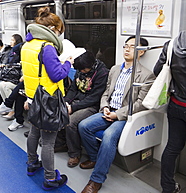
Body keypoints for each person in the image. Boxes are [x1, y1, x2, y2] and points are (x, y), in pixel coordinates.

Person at [78, 36, 156, 193]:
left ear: (141, 52)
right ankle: (95, 157)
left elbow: (139, 104)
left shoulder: (146, 75)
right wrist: (105, 106)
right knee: (83, 126)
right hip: (109, 109)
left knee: (109, 136)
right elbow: (107, 92)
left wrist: (117, 115)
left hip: (126, 117)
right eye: (126, 46)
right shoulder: (114, 69)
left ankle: (96, 180)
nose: (127, 49)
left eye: (133, 47)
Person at [22, 7, 72, 190]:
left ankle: (32, 163)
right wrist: (67, 63)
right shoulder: (47, 47)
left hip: (33, 95)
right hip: (47, 99)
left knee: (35, 132)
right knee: (49, 141)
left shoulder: (27, 45)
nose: (59, 34)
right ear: (52, 29)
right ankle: (50, 178)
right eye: (59, 31)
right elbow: (57, 75)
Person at [56, 51, 109, 168]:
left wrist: (73, 107)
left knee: (71, 122)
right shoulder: (80, 71)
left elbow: (94, 98)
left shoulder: (102, 73)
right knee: (59, 110)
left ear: (91, 65)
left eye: (84, 70)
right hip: (77, 101)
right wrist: (66, 102)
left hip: (92, 106)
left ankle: (74, 153)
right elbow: (73, 89)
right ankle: (62, 143)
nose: (81, 72)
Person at [155, 31, 186, 193]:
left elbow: (157, 71)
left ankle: (168, 187)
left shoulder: (172, 44)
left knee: (173, 147)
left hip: (176, 105)